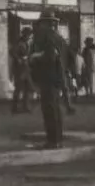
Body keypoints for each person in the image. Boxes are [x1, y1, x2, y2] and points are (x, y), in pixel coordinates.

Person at [28, 13, 70, 149]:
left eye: (42, 23)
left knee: (49, 109)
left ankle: (52, 141)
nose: (40, 26)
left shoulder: (47, 36)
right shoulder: (59, 37)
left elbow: (50, 55)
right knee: (55, 109)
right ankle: (57, 139)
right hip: (58, 77)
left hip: (48, 77)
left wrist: (35, 56)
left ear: (45, 23)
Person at [10, 27, 34, 113]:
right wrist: (19, 59)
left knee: (27, 88)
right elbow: (13, 52)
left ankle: (25, 106)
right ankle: (15, 107)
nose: (29, 36)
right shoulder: (19, 43)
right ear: (24, 34)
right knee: (18, 88)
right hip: (19, 69)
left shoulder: (26, 43)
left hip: (26, 68)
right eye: (28, 35)